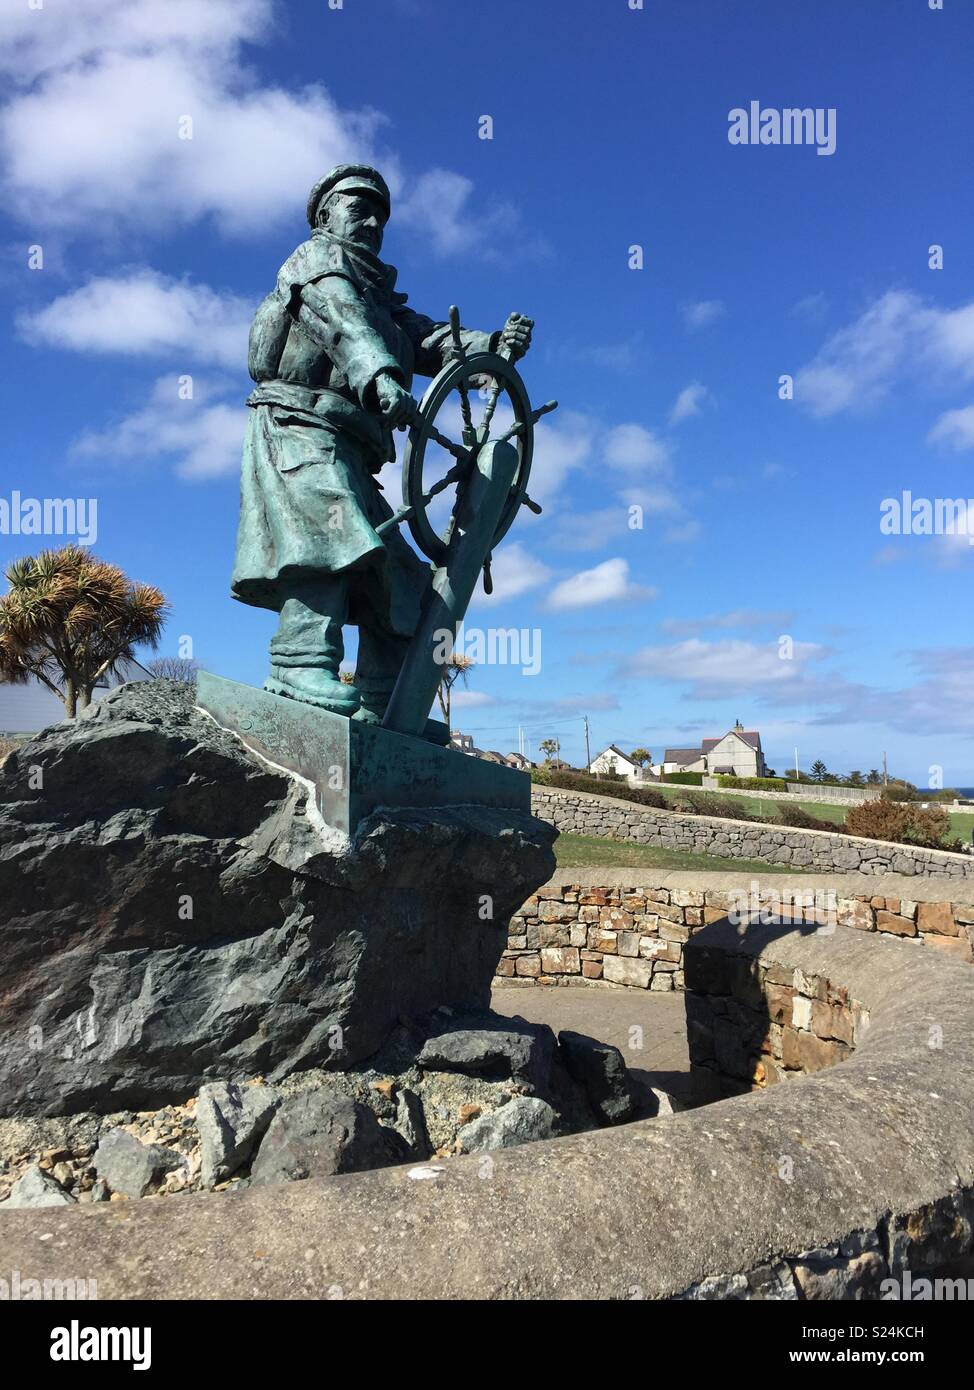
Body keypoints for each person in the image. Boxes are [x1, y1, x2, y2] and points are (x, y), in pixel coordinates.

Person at [231, 163, 532, 721]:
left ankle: (385, 706)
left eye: (380, 215)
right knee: (329, 538)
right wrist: (380, 376)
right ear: (325, 214)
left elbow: (433, 339)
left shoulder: (380, 295)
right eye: (357, 206)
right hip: (298, 429)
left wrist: (493, 344)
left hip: (350, 449)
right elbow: (344, 323)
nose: (371, 221)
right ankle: (298, 666)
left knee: (403, 579)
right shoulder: (315, 262)